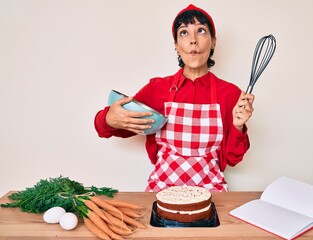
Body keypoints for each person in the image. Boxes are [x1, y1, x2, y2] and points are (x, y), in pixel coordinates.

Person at [94, 4, 255, 192]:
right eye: (184, 33)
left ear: (213, 41)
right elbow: (105, 129)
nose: (193, 40)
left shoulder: (231, 94)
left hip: (212, 194)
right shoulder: (156, 89)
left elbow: (233, 158)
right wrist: (108, 119)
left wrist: (238, 126)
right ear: (176, 45)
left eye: (201, 31)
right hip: (161, 192)